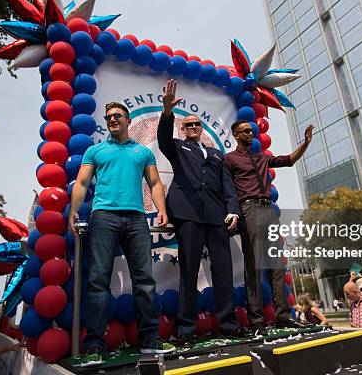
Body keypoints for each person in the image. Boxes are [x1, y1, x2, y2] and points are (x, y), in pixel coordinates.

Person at [69, 102, 175, 367]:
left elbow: (155, 183)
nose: (112, 119)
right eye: (108, 117)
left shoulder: (142, 152)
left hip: (137, 218)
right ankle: (93, 344)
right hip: (103, 217)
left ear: (128, 120)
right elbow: (82, 183)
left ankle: (151, 339)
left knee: (144, 280)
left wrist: (162, 209)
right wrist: (73, 210)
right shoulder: (95, 150)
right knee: (97, 281)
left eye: (117, 116)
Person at [157, 79, 249, 345]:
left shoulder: (217, 154)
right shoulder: (177, 147)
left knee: (223, 271)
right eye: (189, 125)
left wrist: (233, 210)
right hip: (188, 215)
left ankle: (228, 324)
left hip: (217, 217)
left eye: (197, 124)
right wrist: (166, 112)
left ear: (201, 129)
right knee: (188, 271)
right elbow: (163, 138)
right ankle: (185, 329)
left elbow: (228, 186)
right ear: (183, 129)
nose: (194, 128)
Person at [225, 120, 313, 334]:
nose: (250, 133)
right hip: (249, 209)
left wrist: (306, 143)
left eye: (252, 130)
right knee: (254, 266)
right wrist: (232, 214)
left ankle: (283, 316)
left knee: (276, 265)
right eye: (245, 131)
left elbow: (289, 160)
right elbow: (226, 188)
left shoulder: (261, 158)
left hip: (267, 210)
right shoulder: (229, 159)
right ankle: (257, 321)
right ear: (236, 135)